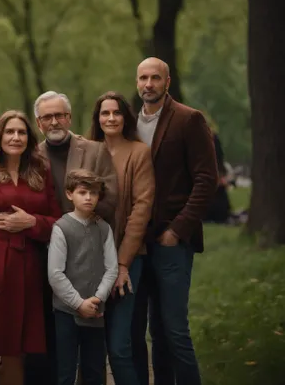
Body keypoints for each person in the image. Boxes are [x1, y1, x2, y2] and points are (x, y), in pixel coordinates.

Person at [131, 57, 218, 385]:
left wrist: (178, 230)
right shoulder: (129, 122)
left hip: (171, 241)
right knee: (148, 330)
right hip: (138, 242)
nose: (148, 84)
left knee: (174, 330)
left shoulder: (188, 119)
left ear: (167, 82)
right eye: (143, 78)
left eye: (155, 78)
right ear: (137, 81)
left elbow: (206, 179)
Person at [0, 110, 62, 385]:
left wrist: (31, 222)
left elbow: (58, 224)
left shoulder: (40, 173)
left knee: (17, 354)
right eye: (10, 132)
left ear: (29, 138)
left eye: (21, 132)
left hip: (29, 274)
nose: (15, 137)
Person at [89, 91, 155, 385]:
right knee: (91, 348)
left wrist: (123, 264)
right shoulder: (88, 151)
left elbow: (142, 208)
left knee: (119, 345)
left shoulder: (139, 152)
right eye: (105, 113)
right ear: (97, 118)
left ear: (125, 117)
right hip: (89, 261)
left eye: (116, 113)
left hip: (128, 259)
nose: (111, 118)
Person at [48, 169, 118, 385]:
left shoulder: (104, 229)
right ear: (70, 194)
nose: (89, 197)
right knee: (66, 370)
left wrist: (98, 299)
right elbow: (55, 273)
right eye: (82, 192)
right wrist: (79, 303)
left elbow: (112, 268)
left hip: (96, 311)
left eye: (94, 193)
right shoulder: (61, 228)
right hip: (66, 312)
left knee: (95, 370)